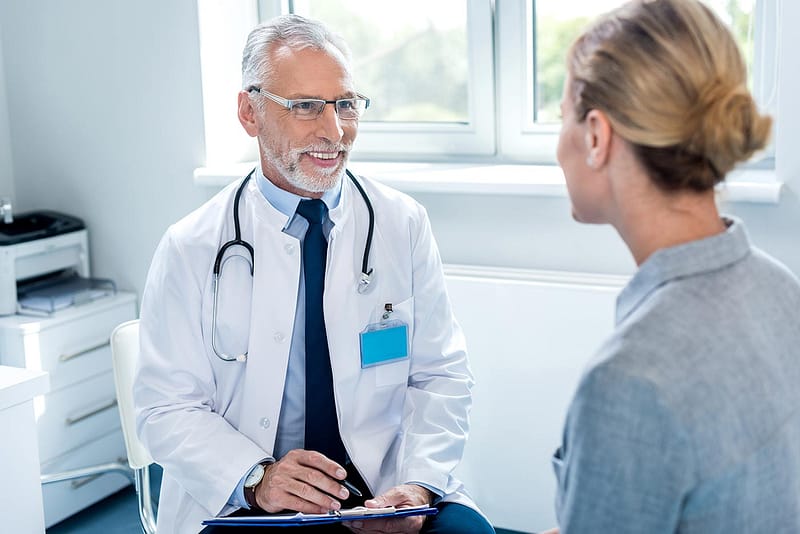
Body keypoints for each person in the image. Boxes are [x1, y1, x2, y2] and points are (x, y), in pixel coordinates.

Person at [133, 13, 494, 534]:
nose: (334, 130)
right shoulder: (191, 246)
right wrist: (257, 477)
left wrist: (416, 484)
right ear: (249, 112)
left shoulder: (402, 223)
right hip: (251, 500)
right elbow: (165, 409)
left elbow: (441, 374)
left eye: (345, 104)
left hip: (384, 487)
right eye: (305, 107)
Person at [547, 0, 800, 532]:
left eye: (562, 117)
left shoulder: (628, 383)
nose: (557, 147)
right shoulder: (781, 289)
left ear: (597, 135)